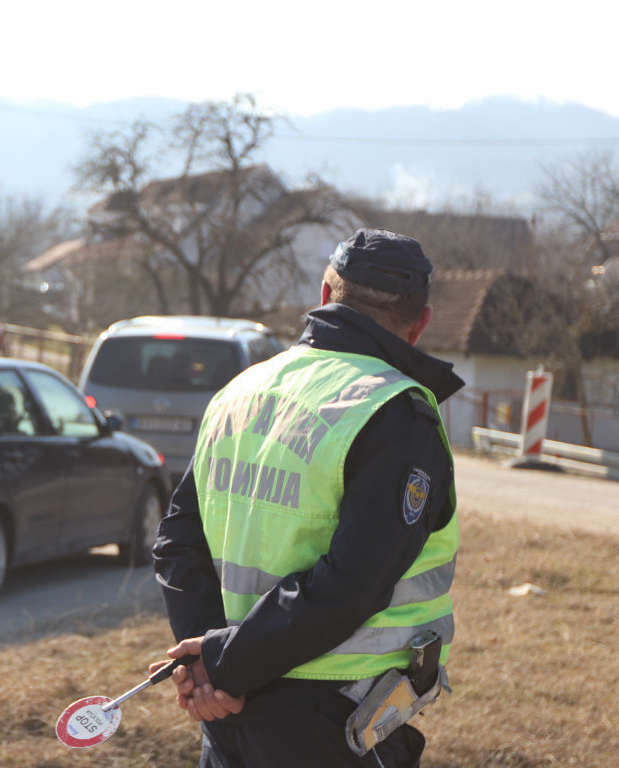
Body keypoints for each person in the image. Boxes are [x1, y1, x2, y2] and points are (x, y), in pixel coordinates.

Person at [152, 228, 464, 767]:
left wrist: (209, 661)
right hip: (333, 715)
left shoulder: (240, 391)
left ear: (324, 296)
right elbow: (351, 585)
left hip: (232, 713)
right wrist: (219, 666)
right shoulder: (395, 412)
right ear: (421, 323)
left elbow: (178, 543)